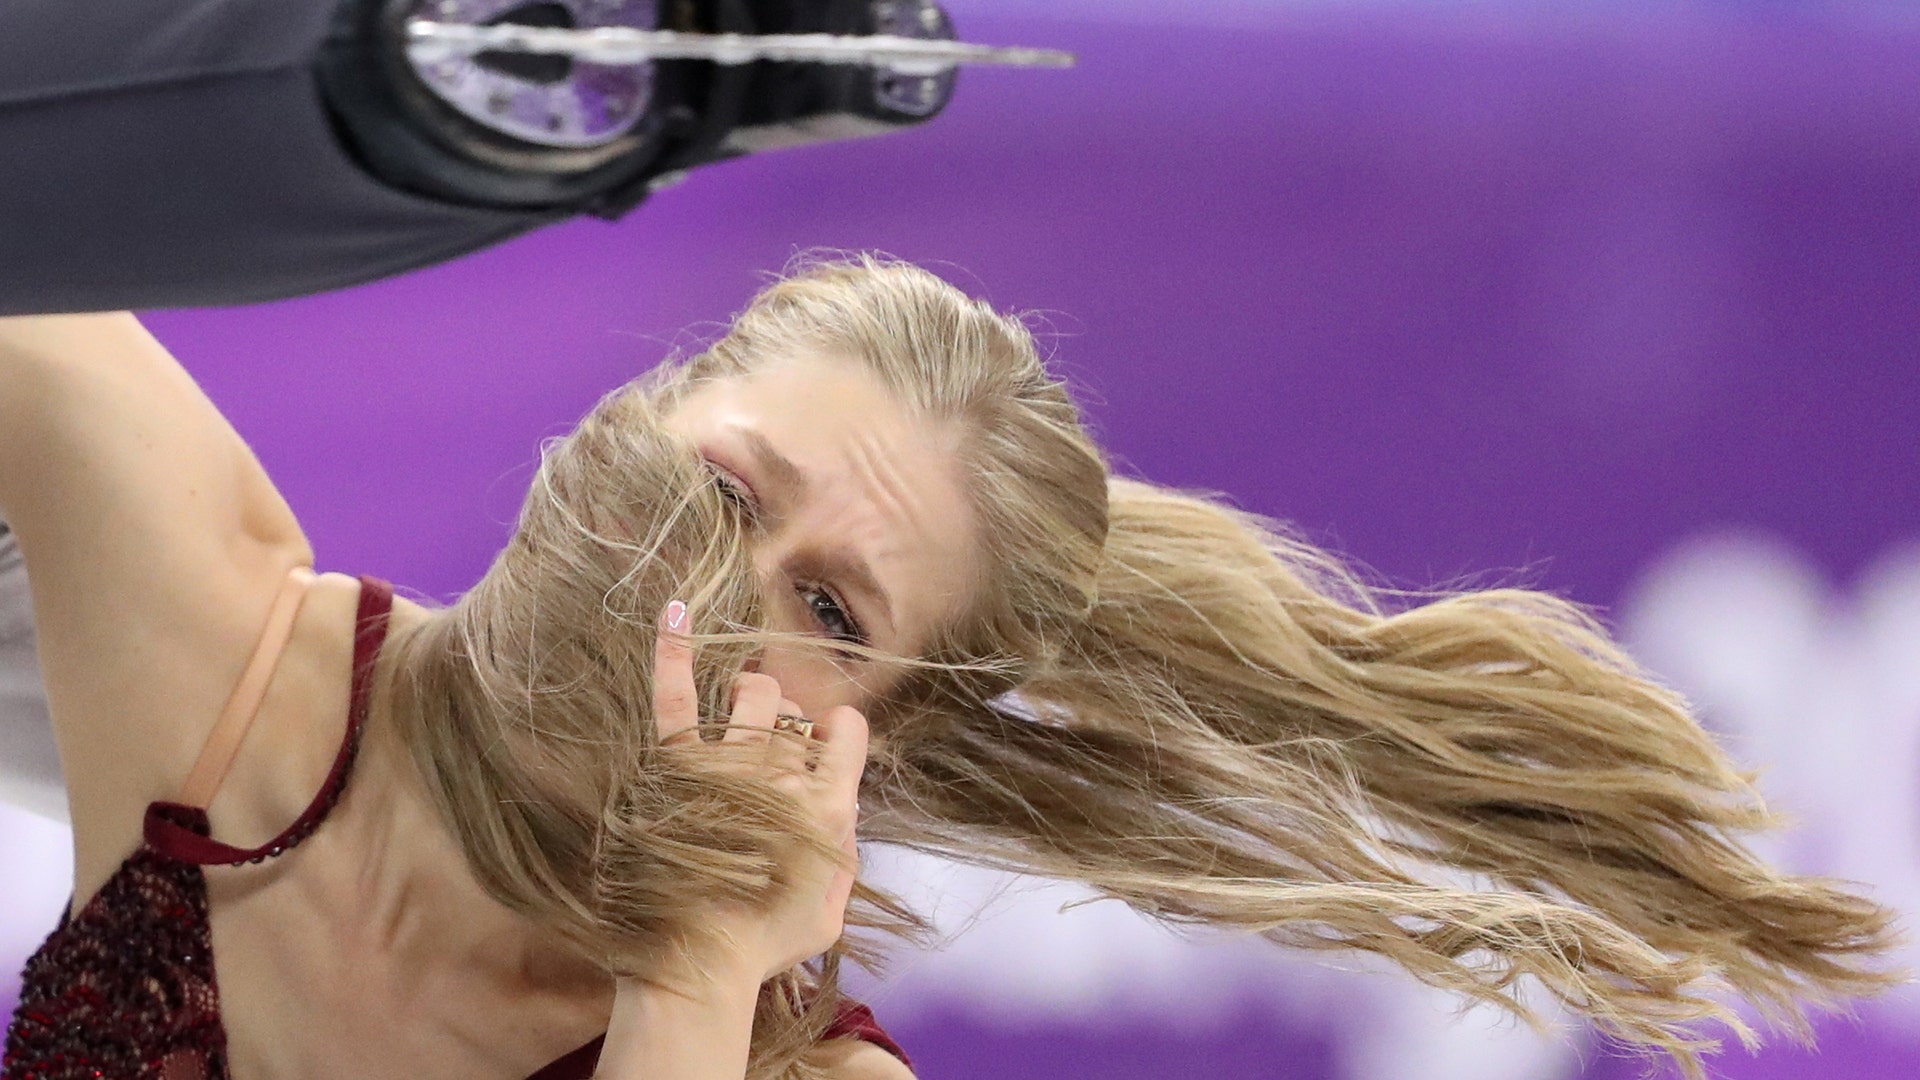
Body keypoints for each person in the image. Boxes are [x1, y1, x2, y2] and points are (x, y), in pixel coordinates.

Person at [0, 255, 1900, 1080]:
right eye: (732, 481)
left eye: (833, 613)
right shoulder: (224, 646)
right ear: (634, 411)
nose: (726, 574)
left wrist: (677, 994)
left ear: (874, 745)